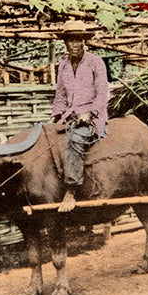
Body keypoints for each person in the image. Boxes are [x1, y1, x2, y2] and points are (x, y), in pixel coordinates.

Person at [50, 19, 109, 212]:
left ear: (84, 41)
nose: (75, 44)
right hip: (69, 116)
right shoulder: (63, 65)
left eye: (78, 40)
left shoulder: (95, 62)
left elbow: (102, 94)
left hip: (91, 118)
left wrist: (89, 112)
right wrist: (56, 116)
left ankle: (71, 191)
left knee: (75, 139)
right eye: (71, 40)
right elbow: (60, 95)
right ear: (65, 43)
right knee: (48, 138)